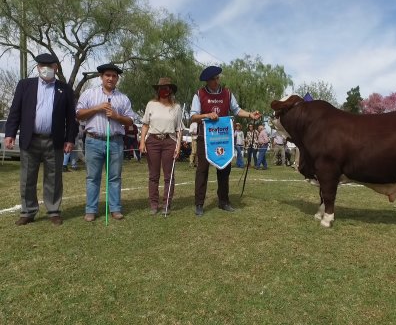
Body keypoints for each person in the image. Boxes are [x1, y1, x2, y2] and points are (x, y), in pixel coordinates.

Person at [4, 53, 78, 226]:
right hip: (30, 139)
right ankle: (28, 211)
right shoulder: (25, 85)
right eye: (42, 65)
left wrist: (70, 139)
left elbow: (71, 117)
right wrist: (10, 134)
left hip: (55, 140)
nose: (46, 69)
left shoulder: (64, 88)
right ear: (37, 67)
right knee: (27, 177)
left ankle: (53, 211)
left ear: (56, 68)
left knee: (53, 177)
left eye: (50, 65)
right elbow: (15, 111)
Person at [190, 65, 261, 216]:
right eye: (213, 79)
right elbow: (193, 116)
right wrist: (207, 115)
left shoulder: (227, 94)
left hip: (223, 137)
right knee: (202, 170)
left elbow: (236, 110)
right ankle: (199, 204)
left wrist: (250, 115)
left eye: (218, 78)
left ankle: (224, 201)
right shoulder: (199, 94)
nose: (217, 81)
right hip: (205, 137)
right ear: (207, 81)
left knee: (224, 169)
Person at [76, 63, 136, 222]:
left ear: (117, 79)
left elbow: (130, 120)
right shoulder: (89, 94)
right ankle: (91, 210)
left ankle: (115, 209)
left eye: (114, 76)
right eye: (107, 75)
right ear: (101, 77)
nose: (110, 78)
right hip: (93, 140)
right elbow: (79, 114)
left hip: (115, 141)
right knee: (92, 177)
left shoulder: (123, 98)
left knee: (115, 177)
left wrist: (117, 116)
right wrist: (97, 108)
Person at [139, 77, 183, 215]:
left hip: (170, 141)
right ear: (158, 90)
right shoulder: (151, 104)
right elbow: (145, 124)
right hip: (152, 141)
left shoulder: (176, 107)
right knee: (153, 175)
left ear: (171, 90)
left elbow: (179, 129)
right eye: (162, 88)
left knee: (169, 175)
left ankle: (166, 204)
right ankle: (153, 204)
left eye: (167, 88)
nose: (164, 90)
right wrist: (142, 142)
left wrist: (178, 146)